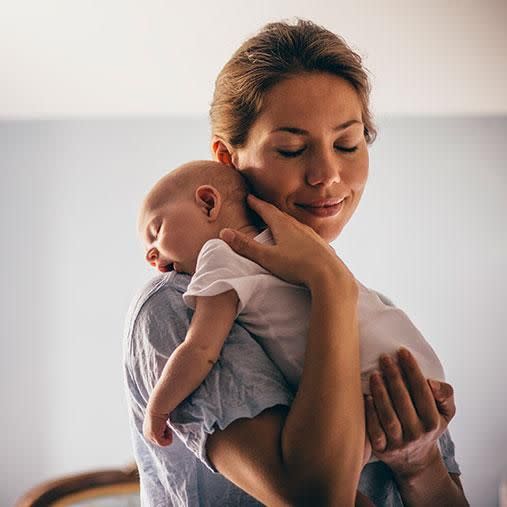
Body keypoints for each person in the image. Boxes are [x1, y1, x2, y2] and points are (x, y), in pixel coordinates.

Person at [124, 19, 469, 506]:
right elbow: (317, 497)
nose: (327, 175)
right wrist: (330, 284)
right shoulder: (177, 302)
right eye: (291, 149)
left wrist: (419, 465)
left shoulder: (374, 316)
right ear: (227, 158)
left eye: (347, 144)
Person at [138, 159, 445, 472]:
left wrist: (158, 408)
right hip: (412, 363)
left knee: (328, 480)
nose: (150, 255)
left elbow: (200, 349)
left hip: (368, 380)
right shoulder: (298, 247)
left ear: (207, 203)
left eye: (156, 231)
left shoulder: (220, 255)